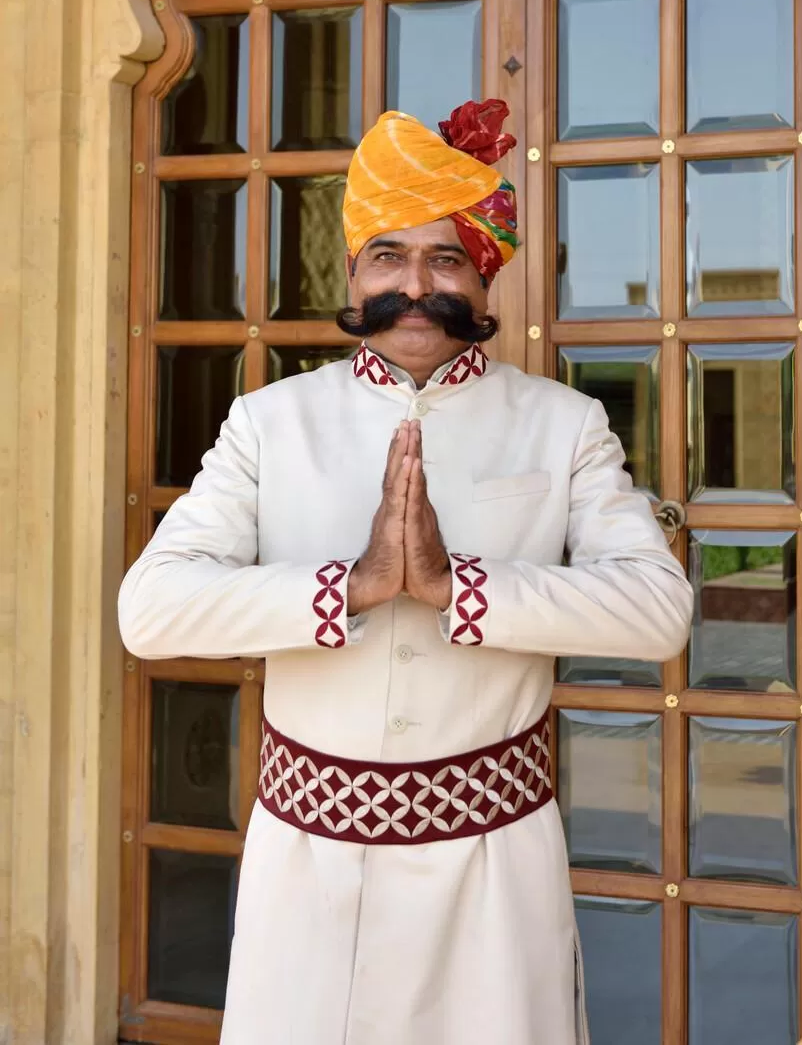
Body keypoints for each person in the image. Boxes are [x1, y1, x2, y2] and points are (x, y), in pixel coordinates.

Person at [118, 98, 693, 1045]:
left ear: (482, 276)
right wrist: (351, 586)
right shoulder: (270, 422)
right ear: (352, 272)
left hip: (491, 866)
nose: (414, 284)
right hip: (307, 864)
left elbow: (654, 613)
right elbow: (152, 612)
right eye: (388, 255)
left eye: (445, 258)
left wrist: (454, 586)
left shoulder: (561, 423)